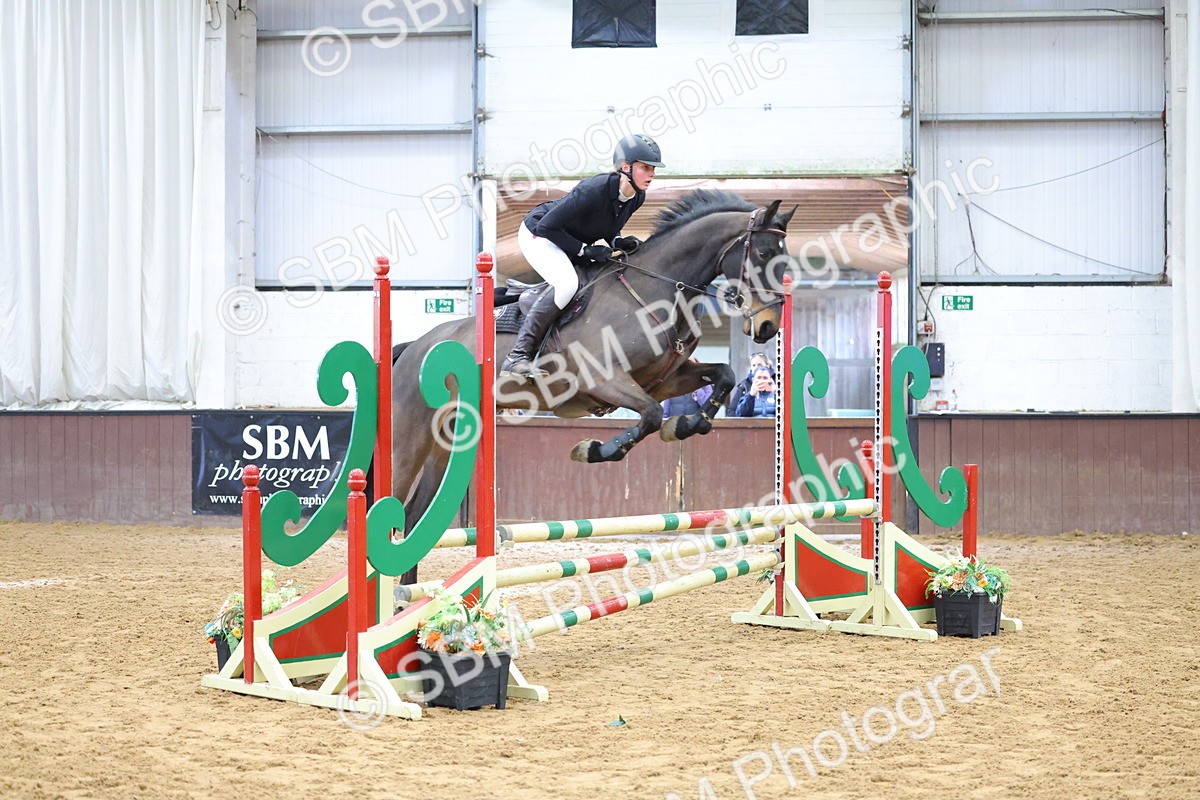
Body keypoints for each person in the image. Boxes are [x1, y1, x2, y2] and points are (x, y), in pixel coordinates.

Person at [499, 134, 665, 378]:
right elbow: (547, 226)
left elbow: (609, 224)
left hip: (564, 239)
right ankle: (517, 357)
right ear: (626, 167)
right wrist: (584, 250)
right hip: (538, 235)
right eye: (645, 168)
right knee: (567, 285)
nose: (651, 174)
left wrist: (616, 240)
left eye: (653, 169)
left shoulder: (637, 196)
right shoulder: (593, 189)